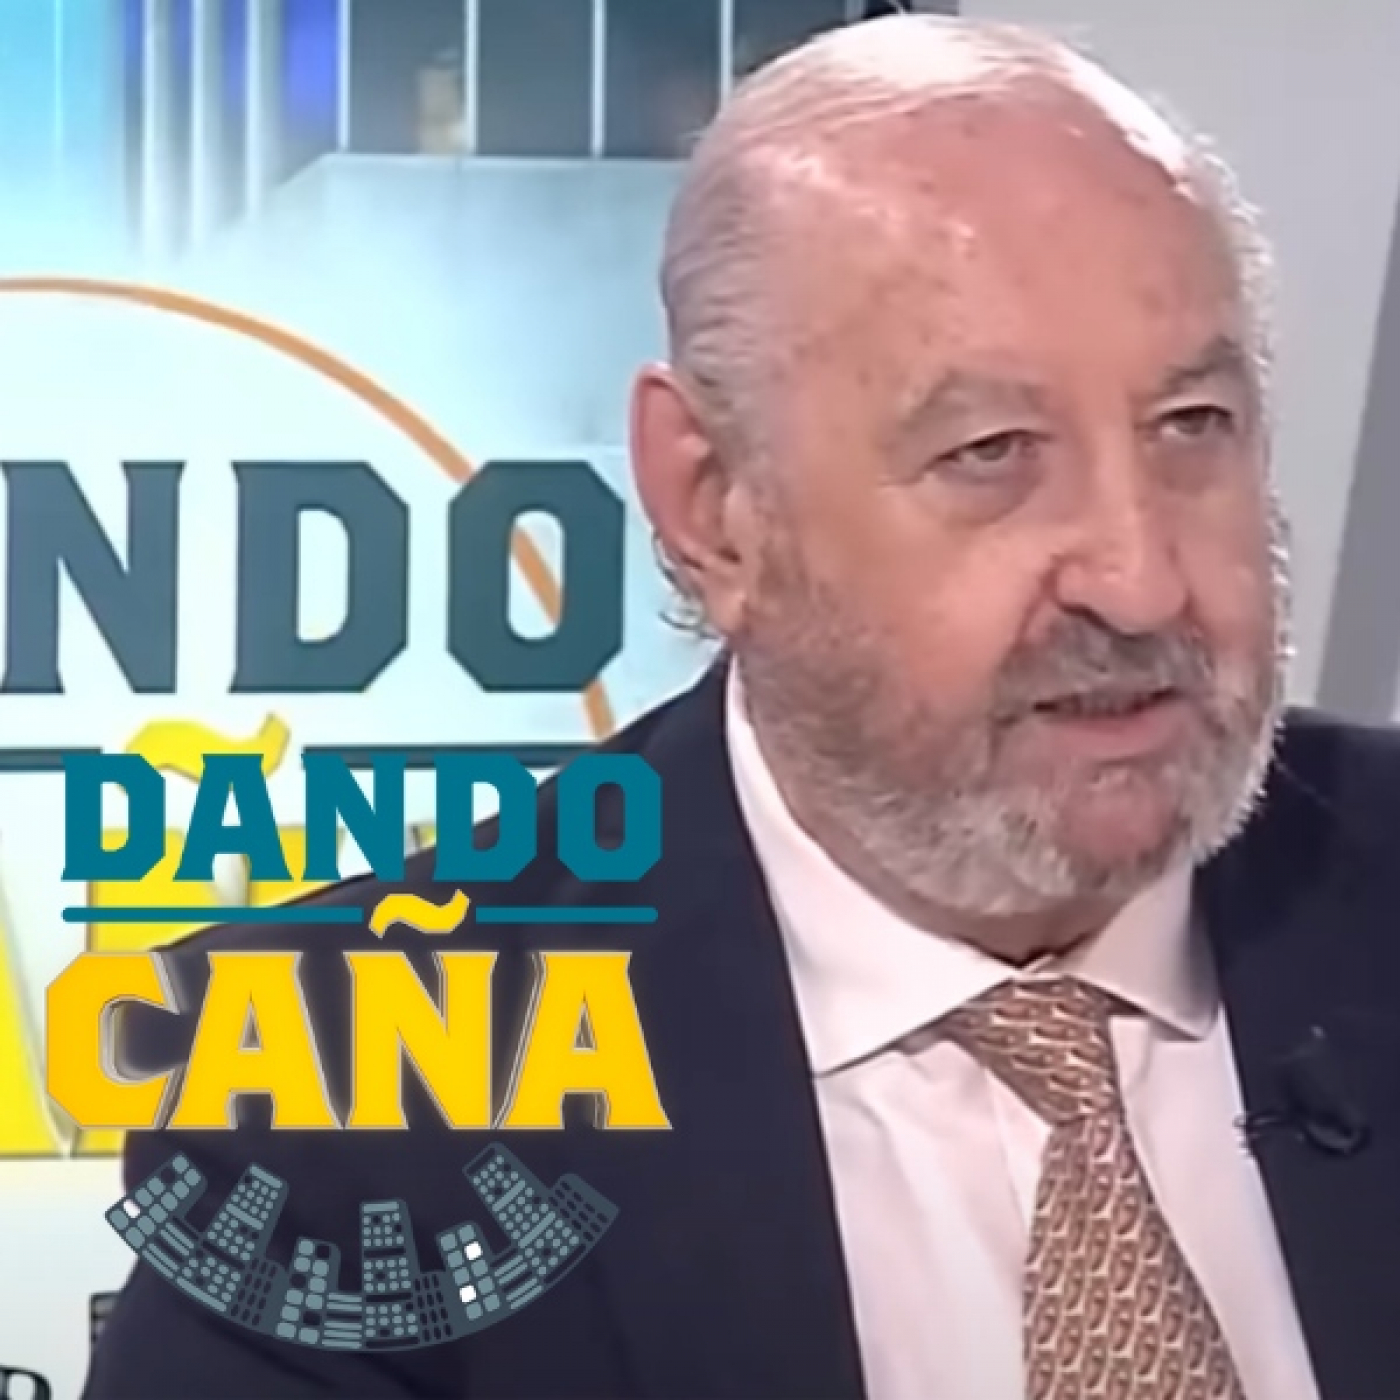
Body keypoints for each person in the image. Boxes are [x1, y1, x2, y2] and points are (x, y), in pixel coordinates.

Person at [85, 14, 1400, 1400]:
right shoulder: (341, 1084)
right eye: (992, 452)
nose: (1140, 581)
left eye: (1193, 426)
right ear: (715, 508)